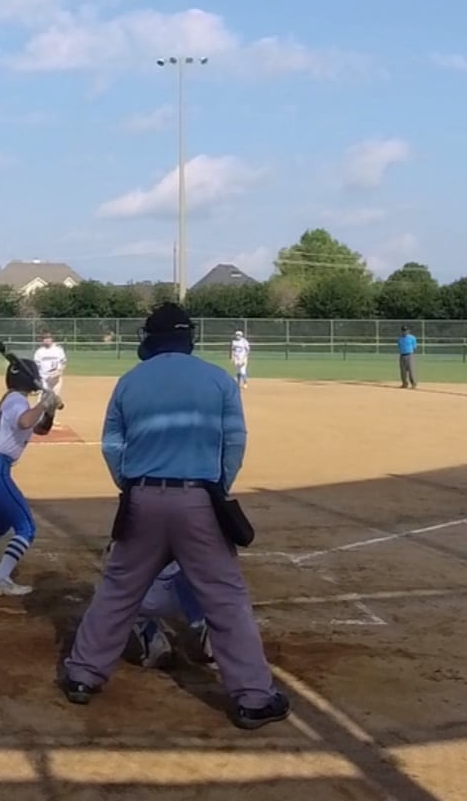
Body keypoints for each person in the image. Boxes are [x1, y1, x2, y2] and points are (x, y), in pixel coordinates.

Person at [59, 303, 290, 730]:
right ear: (188, 339)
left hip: (142, 499)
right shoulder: (218, 380)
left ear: (151, 338)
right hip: (199, 499)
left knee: (118, 589)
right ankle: (254, 698)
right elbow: (234, 442)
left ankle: (83, 675)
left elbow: (112, 445)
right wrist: (217, 488)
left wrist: (131, 485)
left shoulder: (130, 381)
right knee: (224, 597)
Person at [0, 356, 59, 596]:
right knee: (26, 527)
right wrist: (43, 403)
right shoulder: (17, 399)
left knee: (2, 520)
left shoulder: (14, 400)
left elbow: (40, 429)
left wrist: (49, 411)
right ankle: (1, 580)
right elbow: (25, 421)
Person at [125, 559, 213, 670]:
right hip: (182, 590)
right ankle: (200, 625)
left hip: (136, 596)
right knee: (199, 563)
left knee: (118, 604)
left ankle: (154, 642)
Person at [34, 332, 68, 406]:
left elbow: (63, 362)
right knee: (41, 400)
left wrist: (60, 371)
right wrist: (37, 378)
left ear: (52, 339)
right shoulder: (39, 352)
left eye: (48, 338)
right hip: (44, 379)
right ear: (42, 340)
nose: (47, 340)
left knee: (53, 400)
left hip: (56, 379)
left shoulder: (58, 350)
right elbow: (36, 366)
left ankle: (53, 410)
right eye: (45, 338)